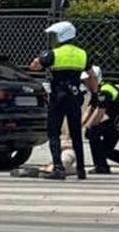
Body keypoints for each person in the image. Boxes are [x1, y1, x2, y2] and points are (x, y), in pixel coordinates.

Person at [30, 21, 96, 180]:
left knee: (53, 132)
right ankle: (81, 169)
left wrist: (39, 59)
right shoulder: (83, 54)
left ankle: (58, 168)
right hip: (75, 97)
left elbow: (35, 67)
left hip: (58, 96)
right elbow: (92, 75)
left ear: (61, 35)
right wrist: (94, 92)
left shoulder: (54, 53)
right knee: (76, 134)